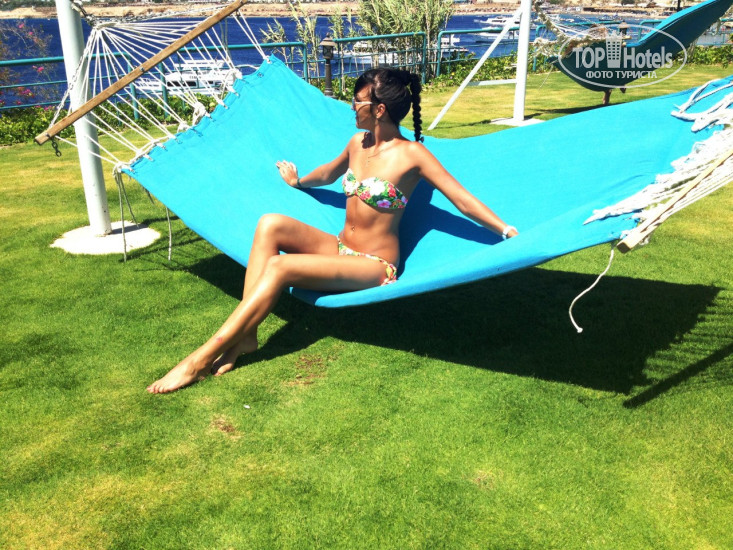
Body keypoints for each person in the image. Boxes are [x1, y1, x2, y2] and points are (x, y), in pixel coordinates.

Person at [147, 68, 518, 394]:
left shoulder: (413, 156)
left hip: (374, 265)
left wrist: (505, 230)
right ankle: (247, 336)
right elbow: (329, 172)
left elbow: (461, 200)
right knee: (270, 223)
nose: (351, 107)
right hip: (340, 247)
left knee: (279, 267)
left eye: (357, 102)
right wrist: (298, 181)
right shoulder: (358, 143)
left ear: (379, 110)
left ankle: (200, 359)